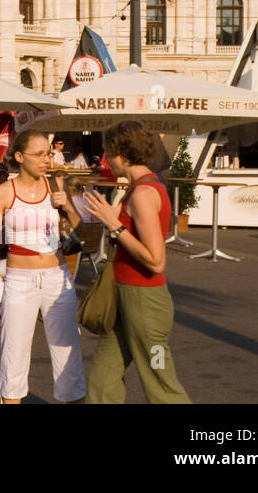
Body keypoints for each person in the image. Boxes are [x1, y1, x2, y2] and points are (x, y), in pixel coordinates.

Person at [84, 121, 190, 403]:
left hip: (144, 300)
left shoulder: (143, 193)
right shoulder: (141, 186)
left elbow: (156, 261)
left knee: (160, 383)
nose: (105, 158)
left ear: (120, 152)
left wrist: (115, 227)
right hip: (124, 295)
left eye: (106, 151)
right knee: (102, 382)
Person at [0, 130, 85, 404]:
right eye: (39, 154)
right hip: (19, 280)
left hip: (56, 277)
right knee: (13, 355)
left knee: (68, 354)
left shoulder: (55, 186)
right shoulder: (3, 192)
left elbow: (78, 228)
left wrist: (69, 208)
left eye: (48, 153)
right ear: (19, 156)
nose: (46, 160)